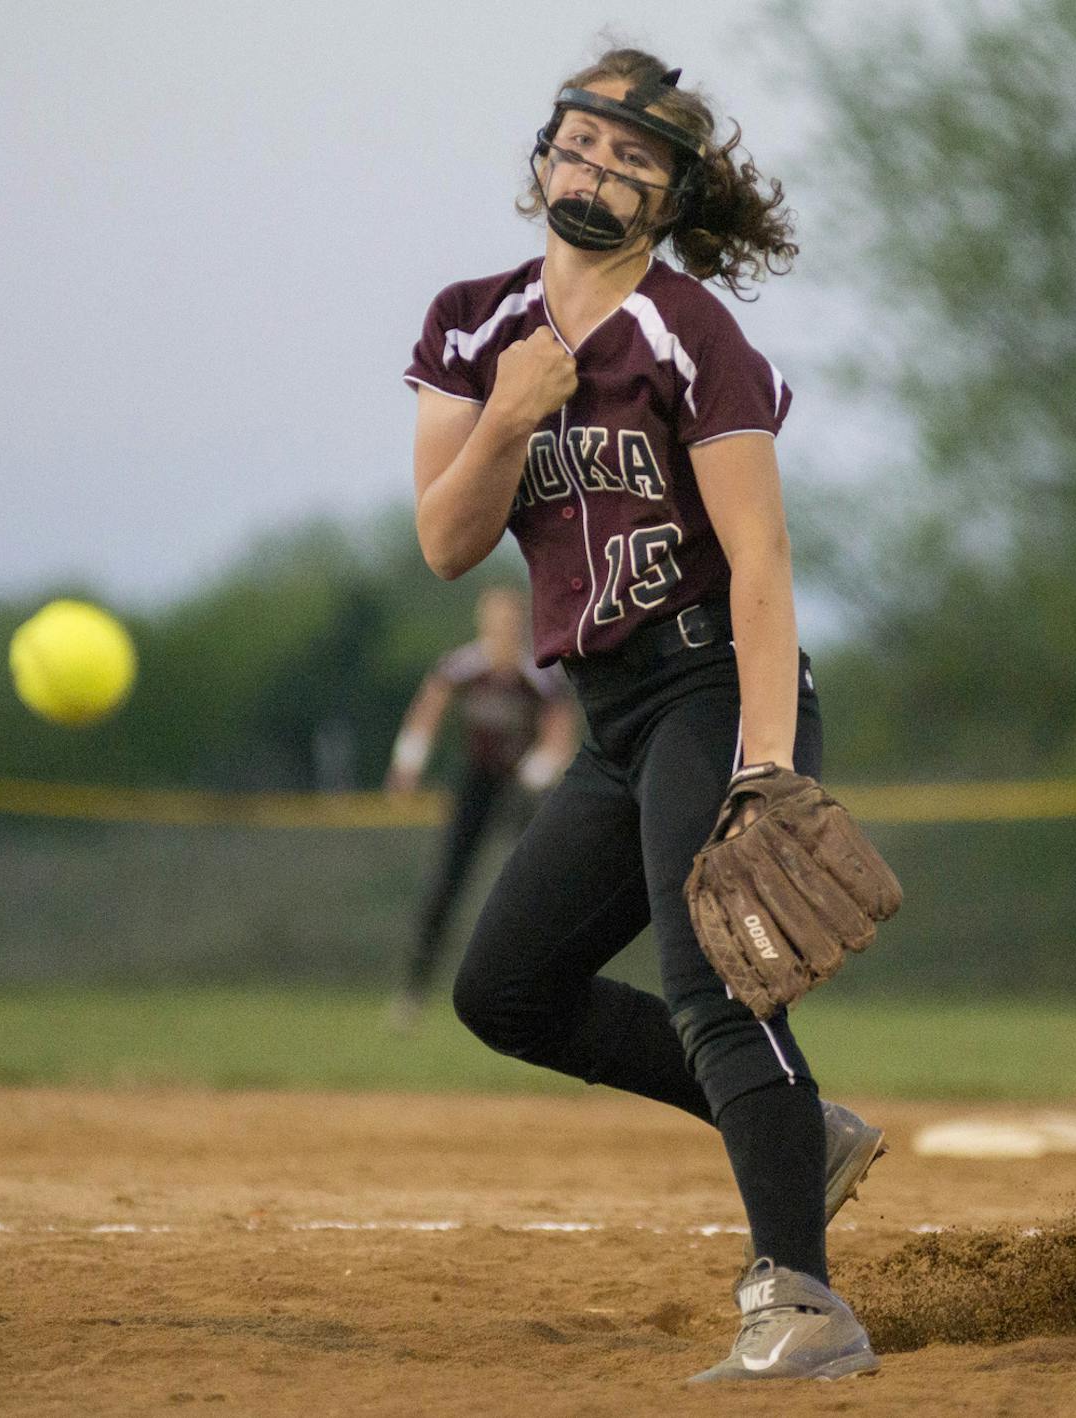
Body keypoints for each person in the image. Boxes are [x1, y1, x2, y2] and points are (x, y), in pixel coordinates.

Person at [401, 48, 883, 1383]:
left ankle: (805, 1304)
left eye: (637, 158)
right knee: (506, 989)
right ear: (541, 156)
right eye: (583, 143)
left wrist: (769, 763)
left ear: (669, 198)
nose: (601, 168)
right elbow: (447, 541)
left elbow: (766, 560)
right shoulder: (472, 324)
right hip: (612, 706)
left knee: (711, 973)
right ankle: (804, 1132)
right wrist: (508, 416)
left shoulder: (690, 332)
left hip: (714, 681)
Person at [384, 585, 576, 1030]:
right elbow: (427, 709)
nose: (501, 631)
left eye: (509, 623)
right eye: (493, 622)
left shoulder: (540, 674)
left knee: (535, 888)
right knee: (446, 885)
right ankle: (413, 993)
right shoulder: (463, 668)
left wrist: (536, 771)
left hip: (520, 790)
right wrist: (408, 763)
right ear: (481, 624)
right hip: (476, 783)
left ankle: (541, 991)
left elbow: (558, 737)